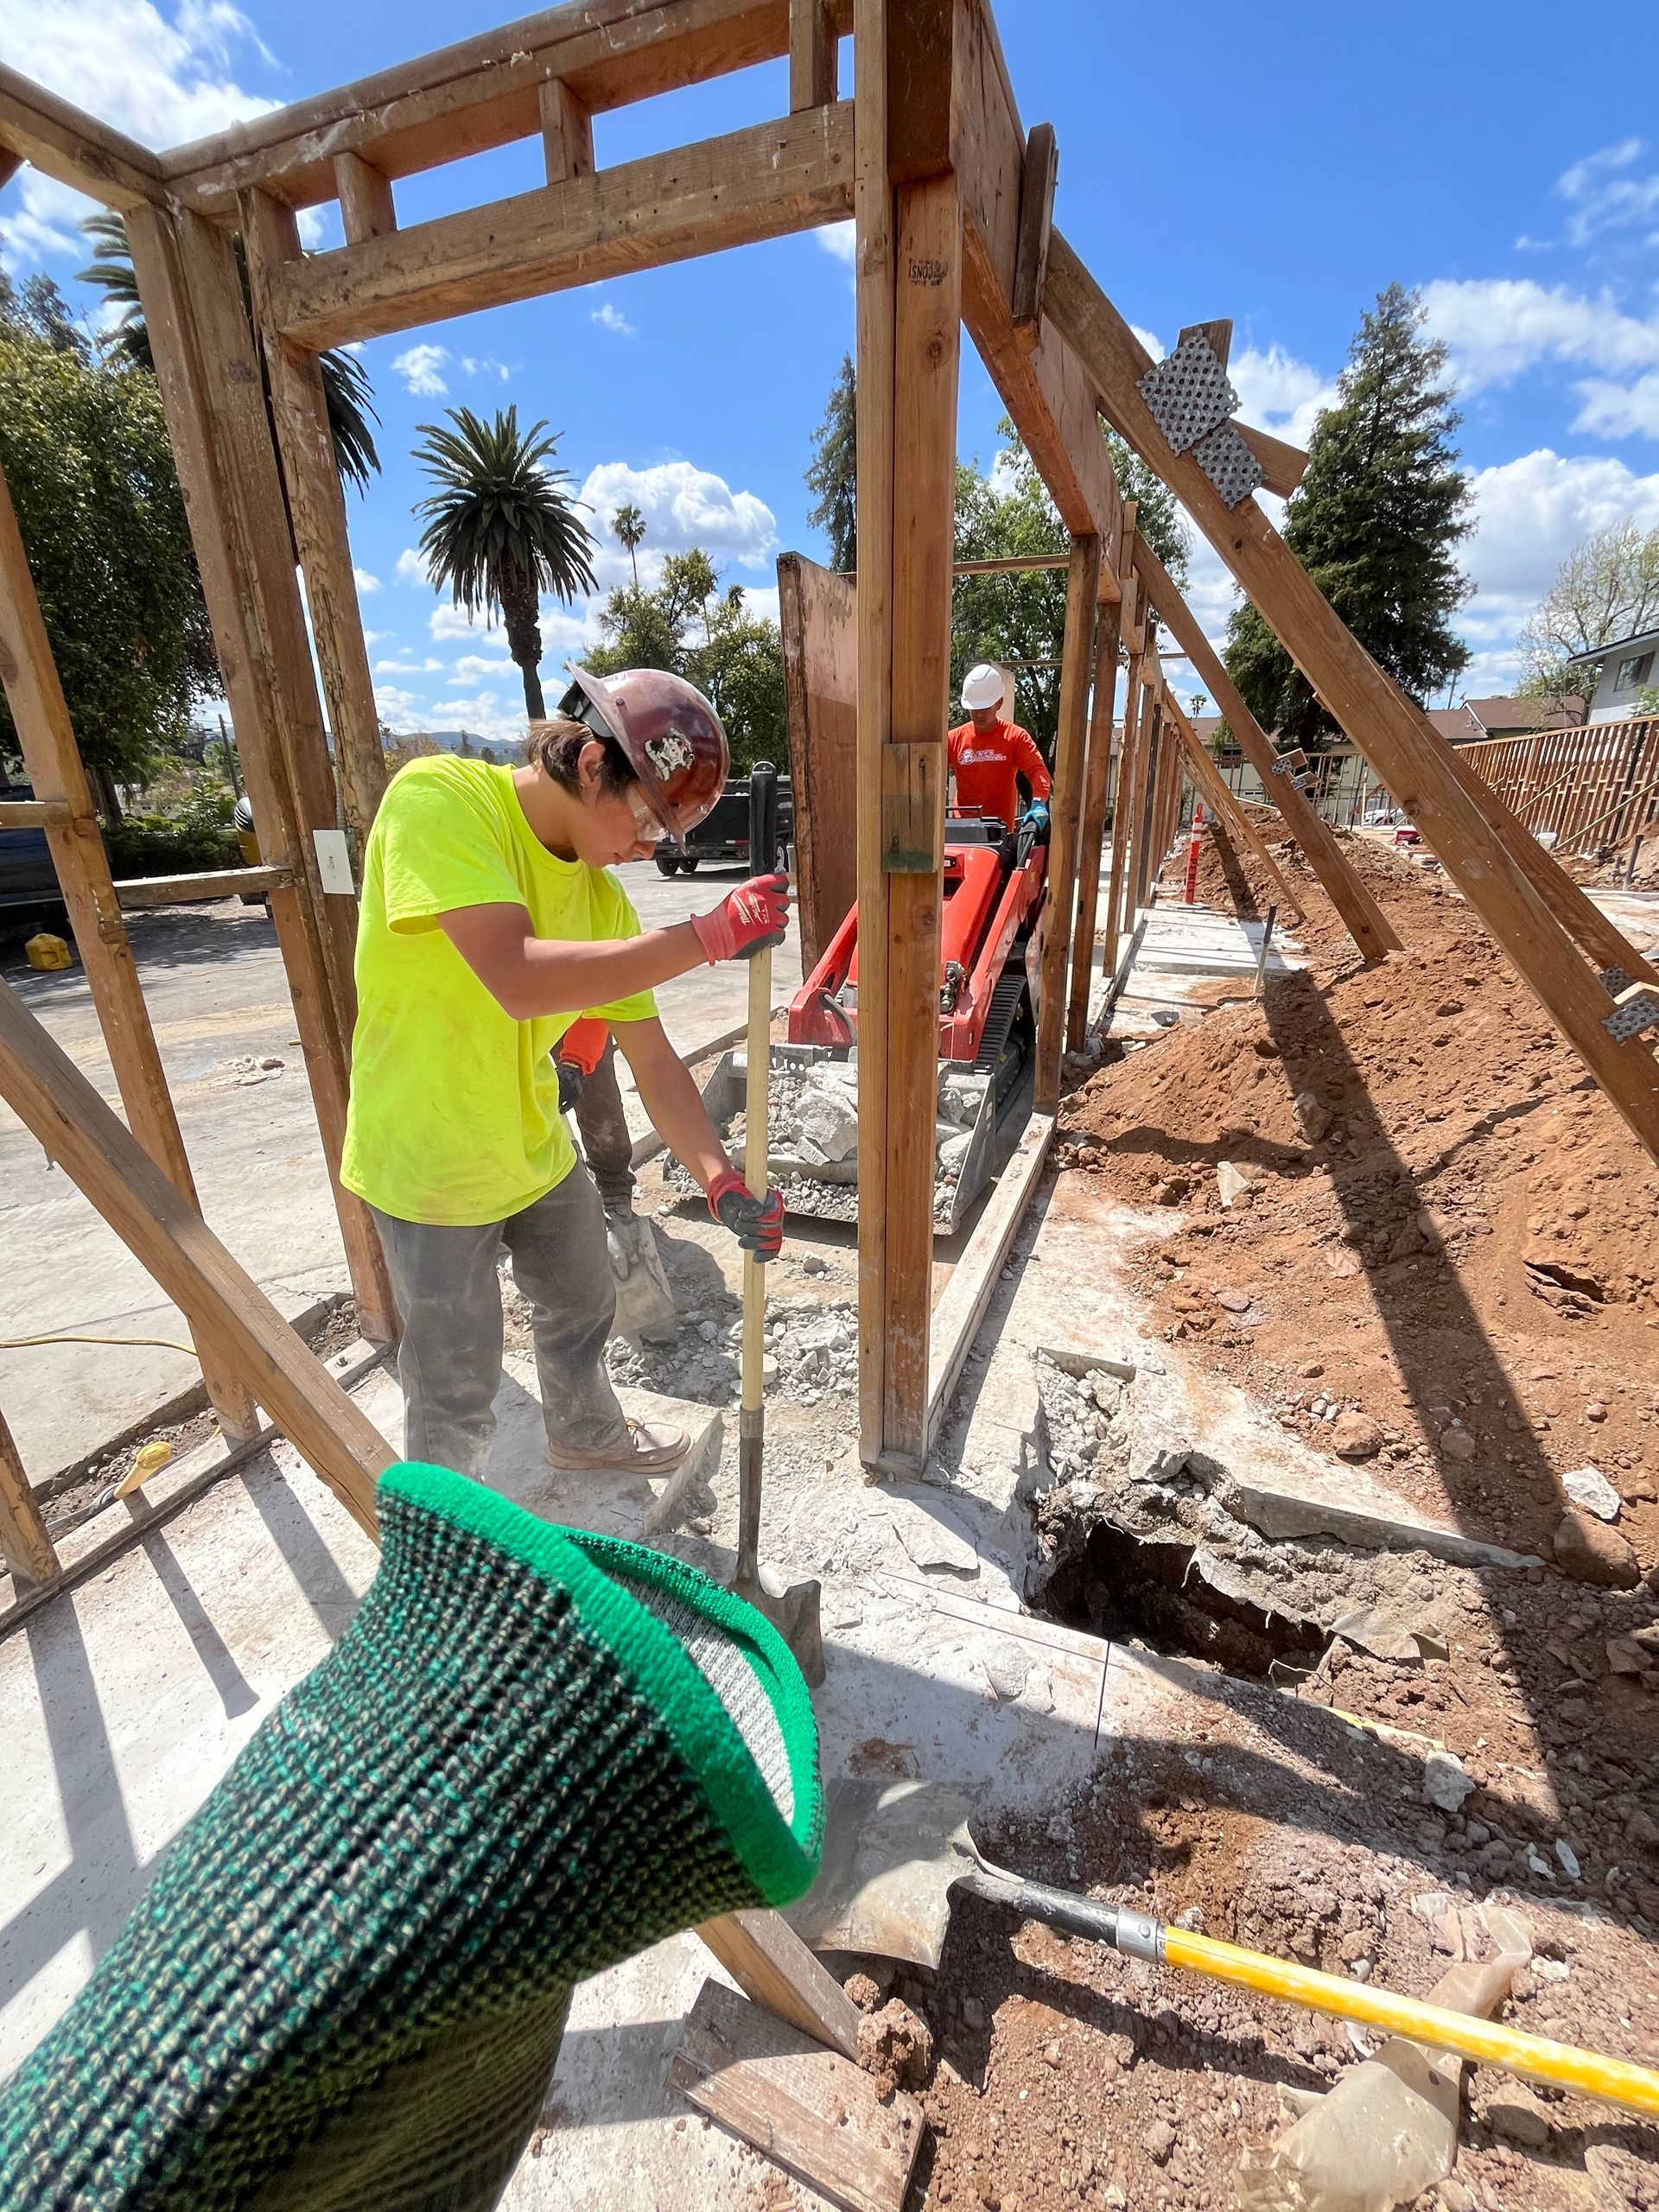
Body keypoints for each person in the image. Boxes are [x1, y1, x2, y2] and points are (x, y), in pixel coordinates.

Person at [340, 666, 790, 1484]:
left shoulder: (602, 900)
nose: (647, 848)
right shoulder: (440, 798)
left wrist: (722, 1181)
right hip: (429, 1159)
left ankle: (583, 1432)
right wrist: (707, 935)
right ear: (591, 765)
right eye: (647, 820)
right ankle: (451, 1548)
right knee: (454, 1382)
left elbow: (653, 1061)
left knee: (583, 1301)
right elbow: (518, 978)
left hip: (533, 1147)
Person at [946, 663, 1053, 835]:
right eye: (974, 709)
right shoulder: (953, 739)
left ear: (999, 703)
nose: (979, 714)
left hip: (1000, 832)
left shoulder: (1015, 737)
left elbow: (1038, 770)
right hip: (962, 829)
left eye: (985, 708)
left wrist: (1039, 802)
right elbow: (929, 769)